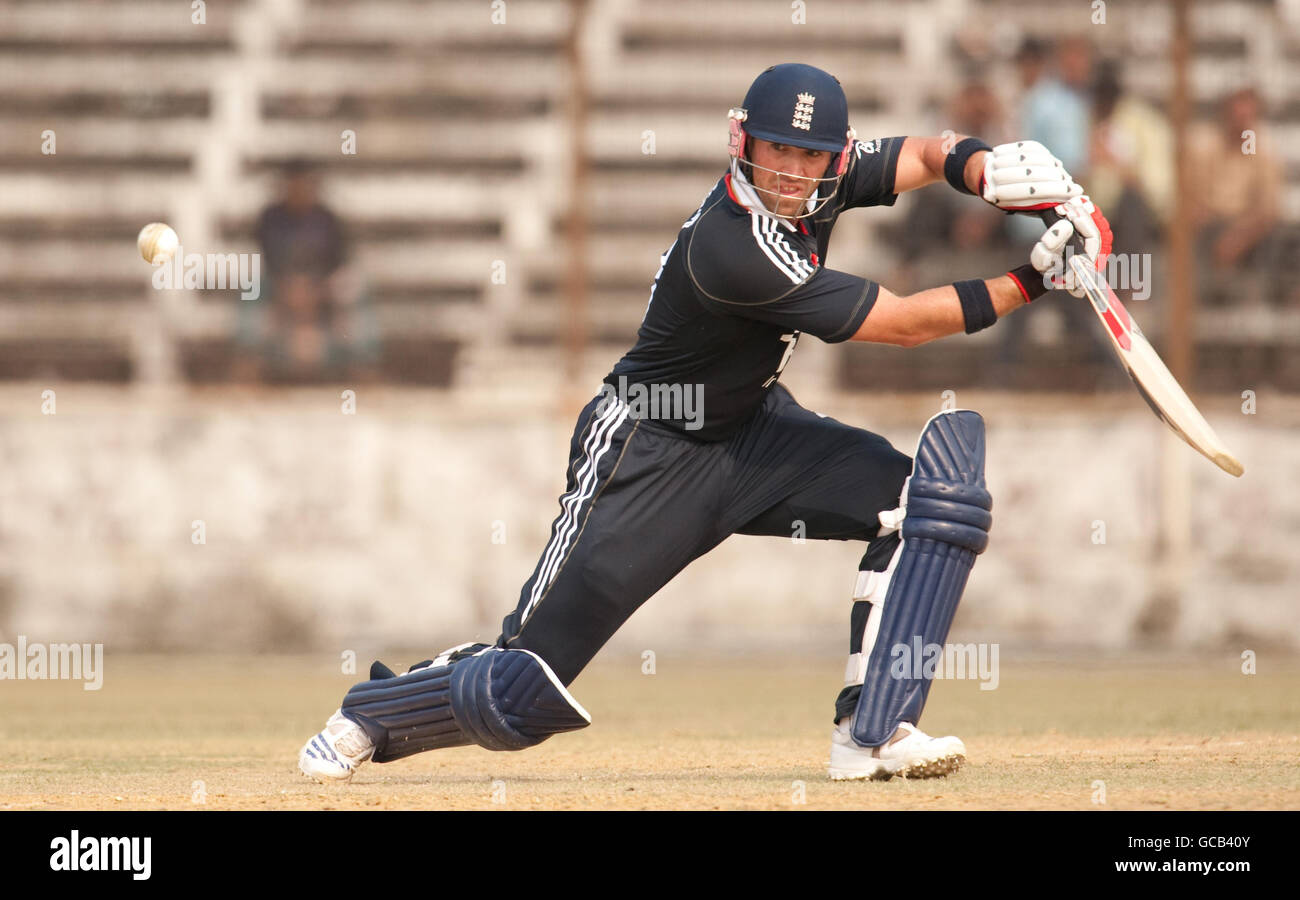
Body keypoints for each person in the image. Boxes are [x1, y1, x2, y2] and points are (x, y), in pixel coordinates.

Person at [298, 63, 1109, 784]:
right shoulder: (733, 246)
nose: (792, 174)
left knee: (930, 504)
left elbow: (928, 156)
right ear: (740, 141)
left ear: (834, 154)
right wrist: (1035, 279)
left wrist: (990, 167)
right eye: (774, 152)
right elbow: (901, 324)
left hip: (755, 434)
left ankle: (872, 732)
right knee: (522, 690)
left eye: (810, 157)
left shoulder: (825, 175)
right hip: (646, 450)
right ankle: (375, 709)